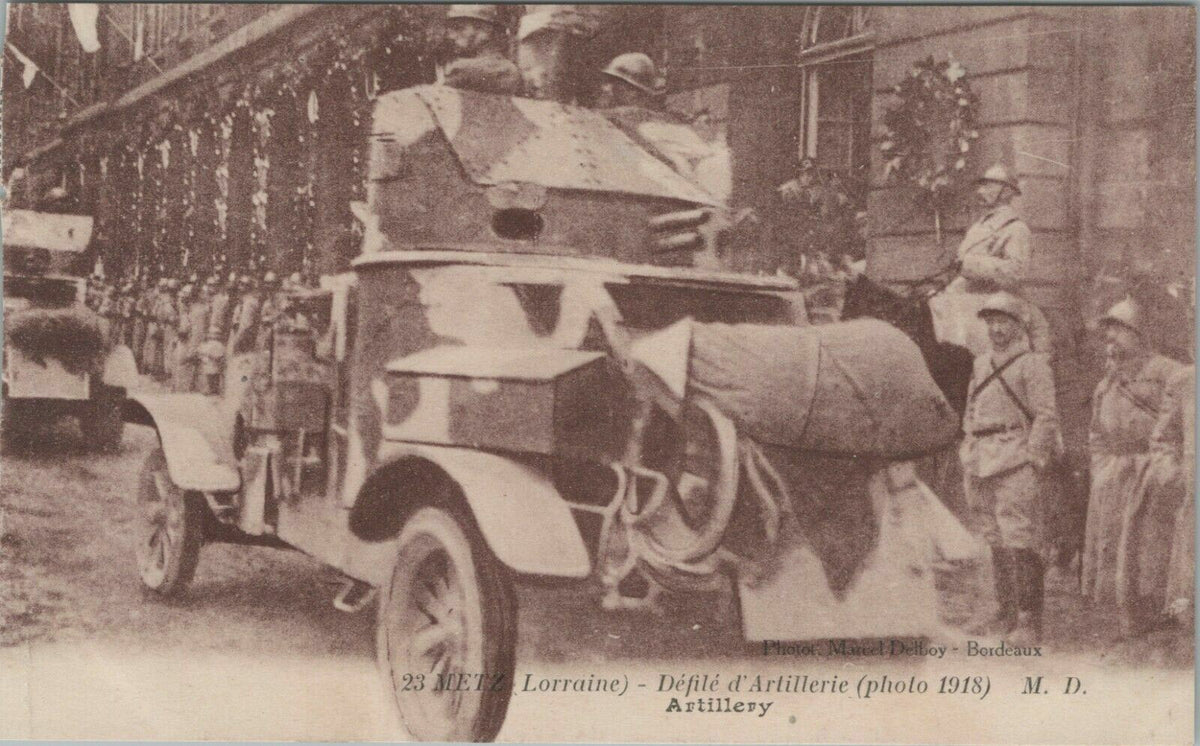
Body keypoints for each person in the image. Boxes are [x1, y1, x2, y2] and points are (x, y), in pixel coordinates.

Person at [1081, 298, 1186, 636]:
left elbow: (1181, 425)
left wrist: (1166, 471)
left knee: (1151, 547)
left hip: (1154, 475)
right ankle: (1128, 621)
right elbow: (1096, 433)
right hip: (1115, 476)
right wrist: (1102, 469)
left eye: (1118, 332)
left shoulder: (1167, 373)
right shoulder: (1105, 384)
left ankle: (1158, 621)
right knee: (1115, 546)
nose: (1110, 341)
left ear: (1139, 334)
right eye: (1107, 334)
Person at [960, 292, 1061, 644]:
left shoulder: (1032, 364)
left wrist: (1034, 457)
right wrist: (968, 444)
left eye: (1004, 321)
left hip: (1015, 456)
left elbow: (1046, 416)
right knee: (994, 536)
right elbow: (971, 407)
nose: (996, 329)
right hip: (982, 457)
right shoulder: (980, 364)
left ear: (1019, 326)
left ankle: (1029, 621)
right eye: (991, 321)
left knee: (1020, 538)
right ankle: (1004, 612)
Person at [930, 164, 1051, 356]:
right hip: (967, 298)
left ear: (1006, 192)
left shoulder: (1016, 228)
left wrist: (969, 265)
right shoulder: (980, 225)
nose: (980, 191)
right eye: (981, 186)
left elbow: (1016, 271)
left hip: (997, 302)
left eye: (988, 186)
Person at [441, 5, 523, 95]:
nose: (451, 36)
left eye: (459, 28)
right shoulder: (510, 70)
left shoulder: (461, 70)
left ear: (484, 30)